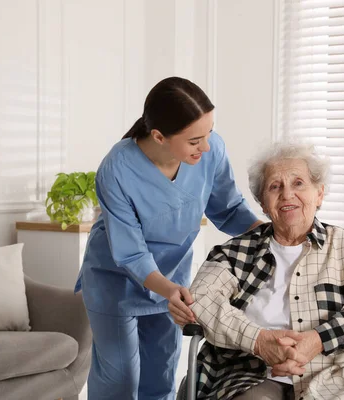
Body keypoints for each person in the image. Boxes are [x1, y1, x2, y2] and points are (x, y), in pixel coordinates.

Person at [174, 139, 344, 400]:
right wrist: (259, 341)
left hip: (332, 379)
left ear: (319, 193)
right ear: (263, 203)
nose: (287, 194)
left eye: (298, 183)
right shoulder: (235, 253)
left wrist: (319, 339)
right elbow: (199, 299)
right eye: (275, 187)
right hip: (250, 376)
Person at [74, 76, 263, 400]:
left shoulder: (211, 150)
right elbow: (131, 253)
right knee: (120, 380)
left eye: (209, 133)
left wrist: (271, 234)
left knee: (160, 378)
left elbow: (229, 210)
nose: (205, 146)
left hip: (172, 279)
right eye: (194, 141)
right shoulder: (117, 169)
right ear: (159, 136)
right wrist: (168, 289)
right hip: (115, 280)